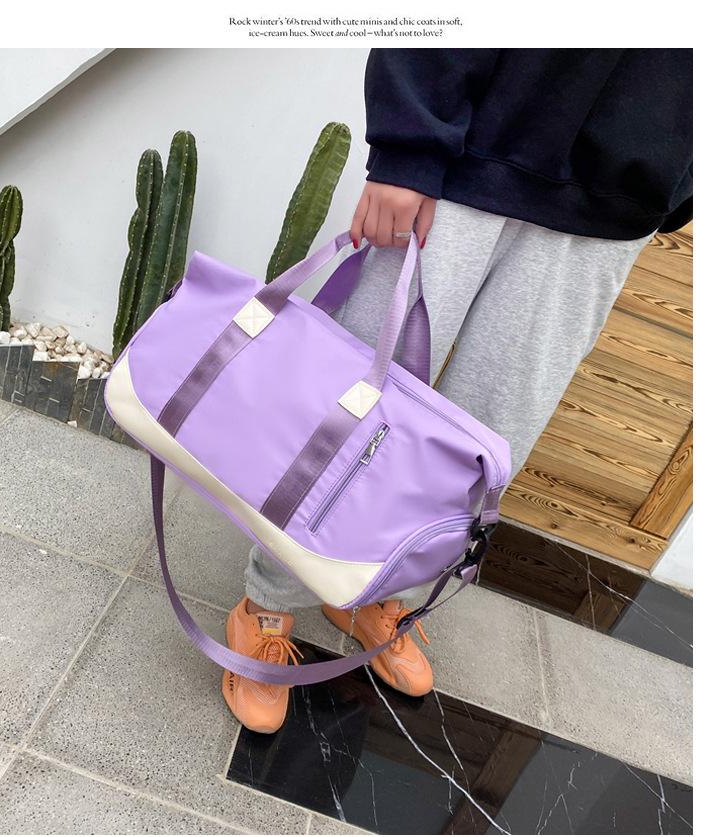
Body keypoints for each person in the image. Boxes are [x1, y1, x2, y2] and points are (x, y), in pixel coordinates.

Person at [221, 48, 693, 733]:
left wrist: (676, 177)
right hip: (472, 155)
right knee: (356, 412)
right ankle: (267, 604)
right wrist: (409, 148)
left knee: (486, 440)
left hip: (612, 208)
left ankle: (382, 595)